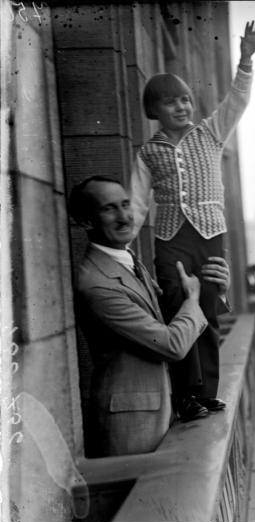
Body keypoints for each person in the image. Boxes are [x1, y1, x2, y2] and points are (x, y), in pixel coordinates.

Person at [129, 22, 255, 422]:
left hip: (209, 236)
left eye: (185, 100)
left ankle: (206, 392)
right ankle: (187, 395)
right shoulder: (148, 152)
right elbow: (136, 201)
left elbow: (237, 101)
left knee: (207, 309)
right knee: (178, 309)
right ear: (155, 111)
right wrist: (122, 243)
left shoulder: (210, 132)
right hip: (171, 238)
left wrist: (246, 60)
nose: (182, 107)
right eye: (171, 103)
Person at [69, 176, 227, 455]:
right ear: (85, 222)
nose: (124, 216)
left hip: (164, 414)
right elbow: (171, 344)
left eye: (126, 205)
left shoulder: (126, 260)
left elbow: (169, 315)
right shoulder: (95, 283)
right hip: (133, 428)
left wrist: (216, 291)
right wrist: (193, 299)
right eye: (109, 209)